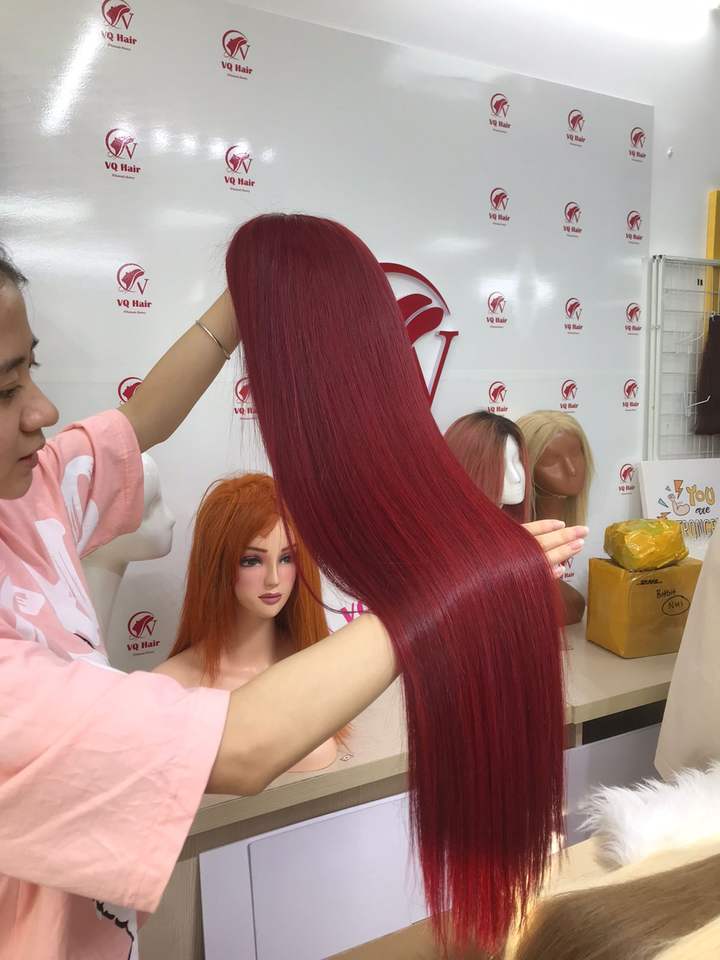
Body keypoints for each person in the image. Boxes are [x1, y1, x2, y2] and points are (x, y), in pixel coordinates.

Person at [0, 243, 586, 959]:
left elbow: (138, 421)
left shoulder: (24, 493)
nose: (42, 410)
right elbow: (240, 749)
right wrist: (452, 594)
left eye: (31, 369)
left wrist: (248, 291)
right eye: (5, 389)